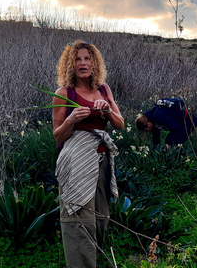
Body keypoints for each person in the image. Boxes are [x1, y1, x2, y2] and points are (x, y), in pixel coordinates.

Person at [52, 40, 124, 268]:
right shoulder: (64, 93)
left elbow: (120, 124)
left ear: (94, 63)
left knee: (100, 218)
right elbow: (58, 136)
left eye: (87, 58)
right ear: (70, 64)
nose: (83, 63)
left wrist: (108, 111)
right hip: (77, 164)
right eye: (77, 59)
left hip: (101, 162)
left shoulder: (104, 89)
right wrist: (72, 119)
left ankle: (94, 259)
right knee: (79, 220)